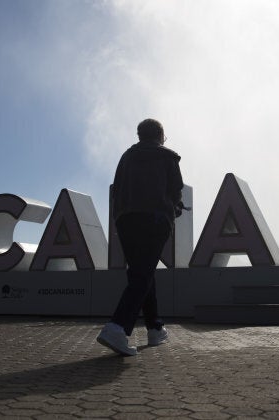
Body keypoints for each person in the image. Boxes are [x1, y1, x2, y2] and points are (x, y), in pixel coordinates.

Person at [97, 118, 184, 356]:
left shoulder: (126, 158)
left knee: (142, 272)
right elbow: (176, 190)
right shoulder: (167, 157)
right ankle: (117, 328)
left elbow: (118, 189)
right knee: (142, 274)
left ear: (139, 135)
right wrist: (175, 207)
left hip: (126, 220)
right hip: (154, 219)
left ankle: (155, 328)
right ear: (161, 135)